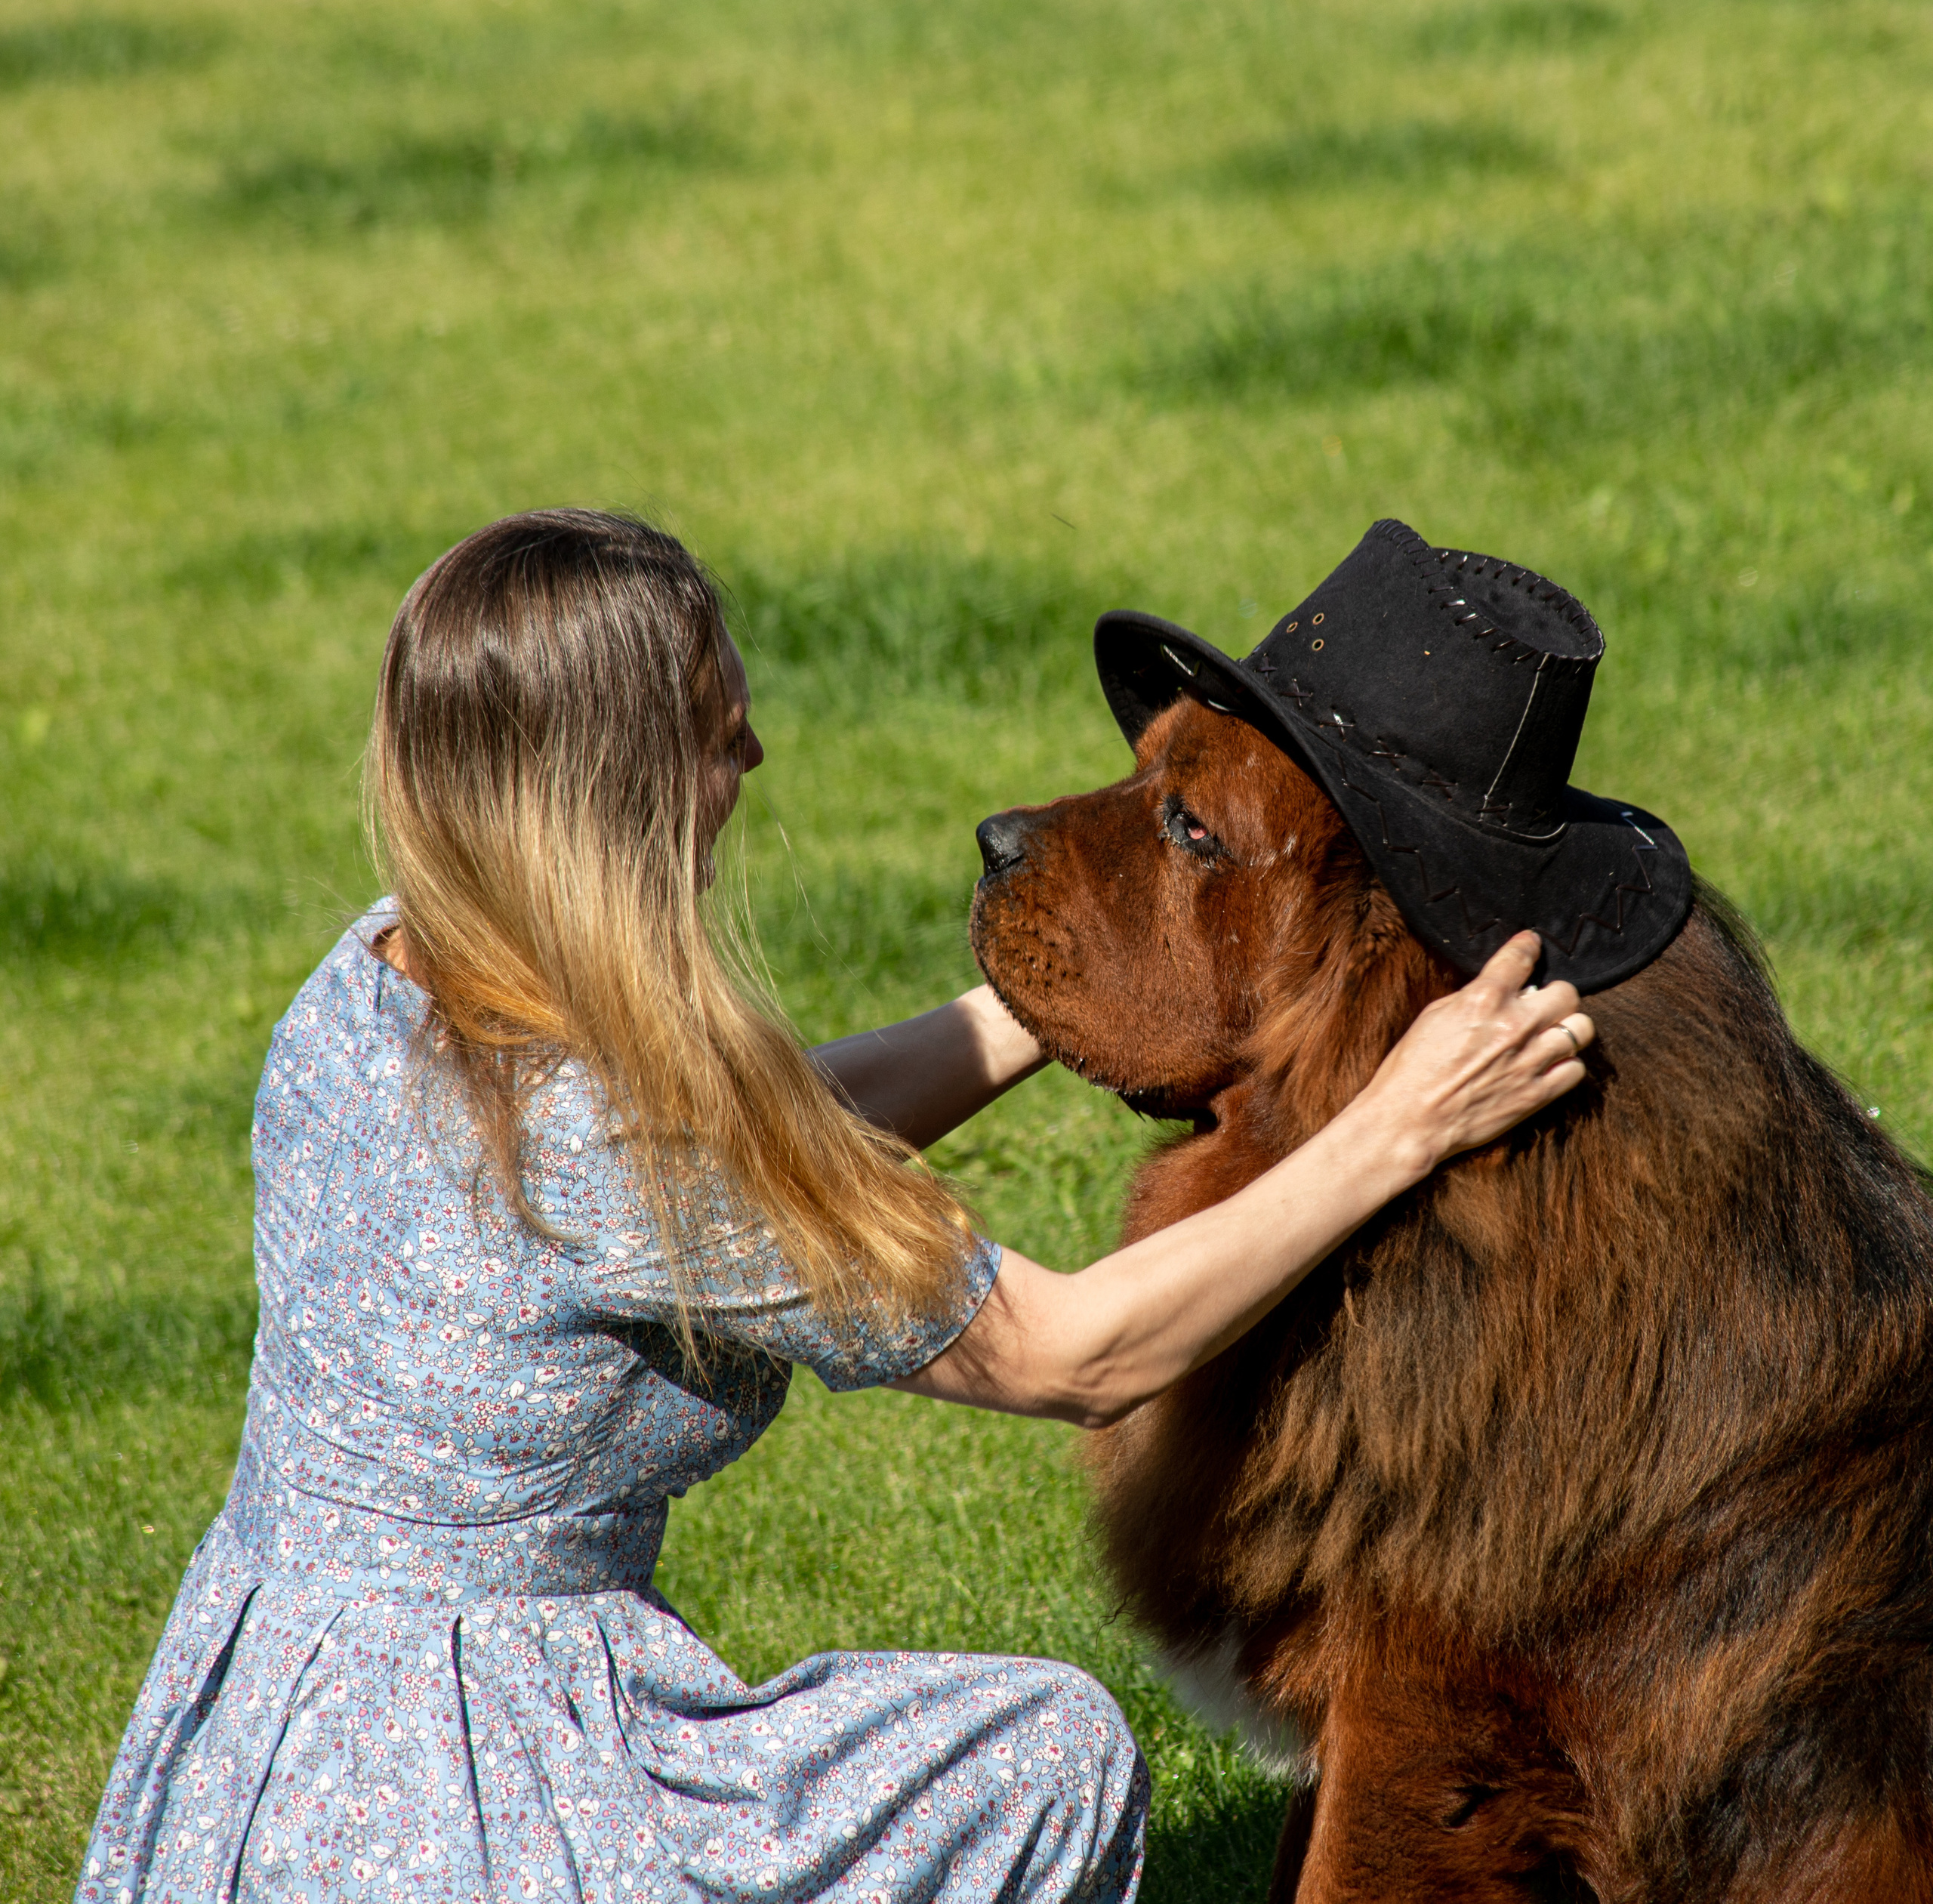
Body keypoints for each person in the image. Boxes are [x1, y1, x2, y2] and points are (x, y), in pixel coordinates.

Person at [77, 510, 1595, 1904]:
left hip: (268, 1743)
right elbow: (1066, 1352)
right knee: (1043, 1754)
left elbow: (752, 1149)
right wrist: (1397, 1128)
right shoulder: (627, 1148)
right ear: (622, 787)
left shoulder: (366, 983)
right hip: (479, 1798)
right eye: (723, 736)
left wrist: (1041, 1006)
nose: (754, 766)